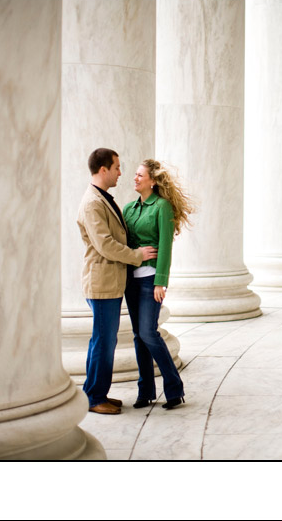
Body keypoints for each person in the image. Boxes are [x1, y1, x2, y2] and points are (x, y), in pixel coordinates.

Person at [77, 148, 157, 415]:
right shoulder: (92, 203)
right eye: (117, 167)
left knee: (103, 339)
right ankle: (95, 397)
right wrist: (137, 256)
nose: (121, 173)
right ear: (103, 170)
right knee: (103, 340)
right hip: (101, 282)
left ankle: (95, 392)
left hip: (109, 282)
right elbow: (106, 245)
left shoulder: (103, 198)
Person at [123, 159, 193, 410]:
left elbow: (165, 246)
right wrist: (135, 252)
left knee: (148, 333)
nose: (135, 178)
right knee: (138, 336)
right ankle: (146, 392)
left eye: (140, 175)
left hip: (151, 280)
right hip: (130, 281)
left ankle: (174, 389)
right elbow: (124, 244)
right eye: (135, 174)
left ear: (153, 181)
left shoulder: (162, 207)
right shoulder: (128, 209)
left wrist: (161, 281)